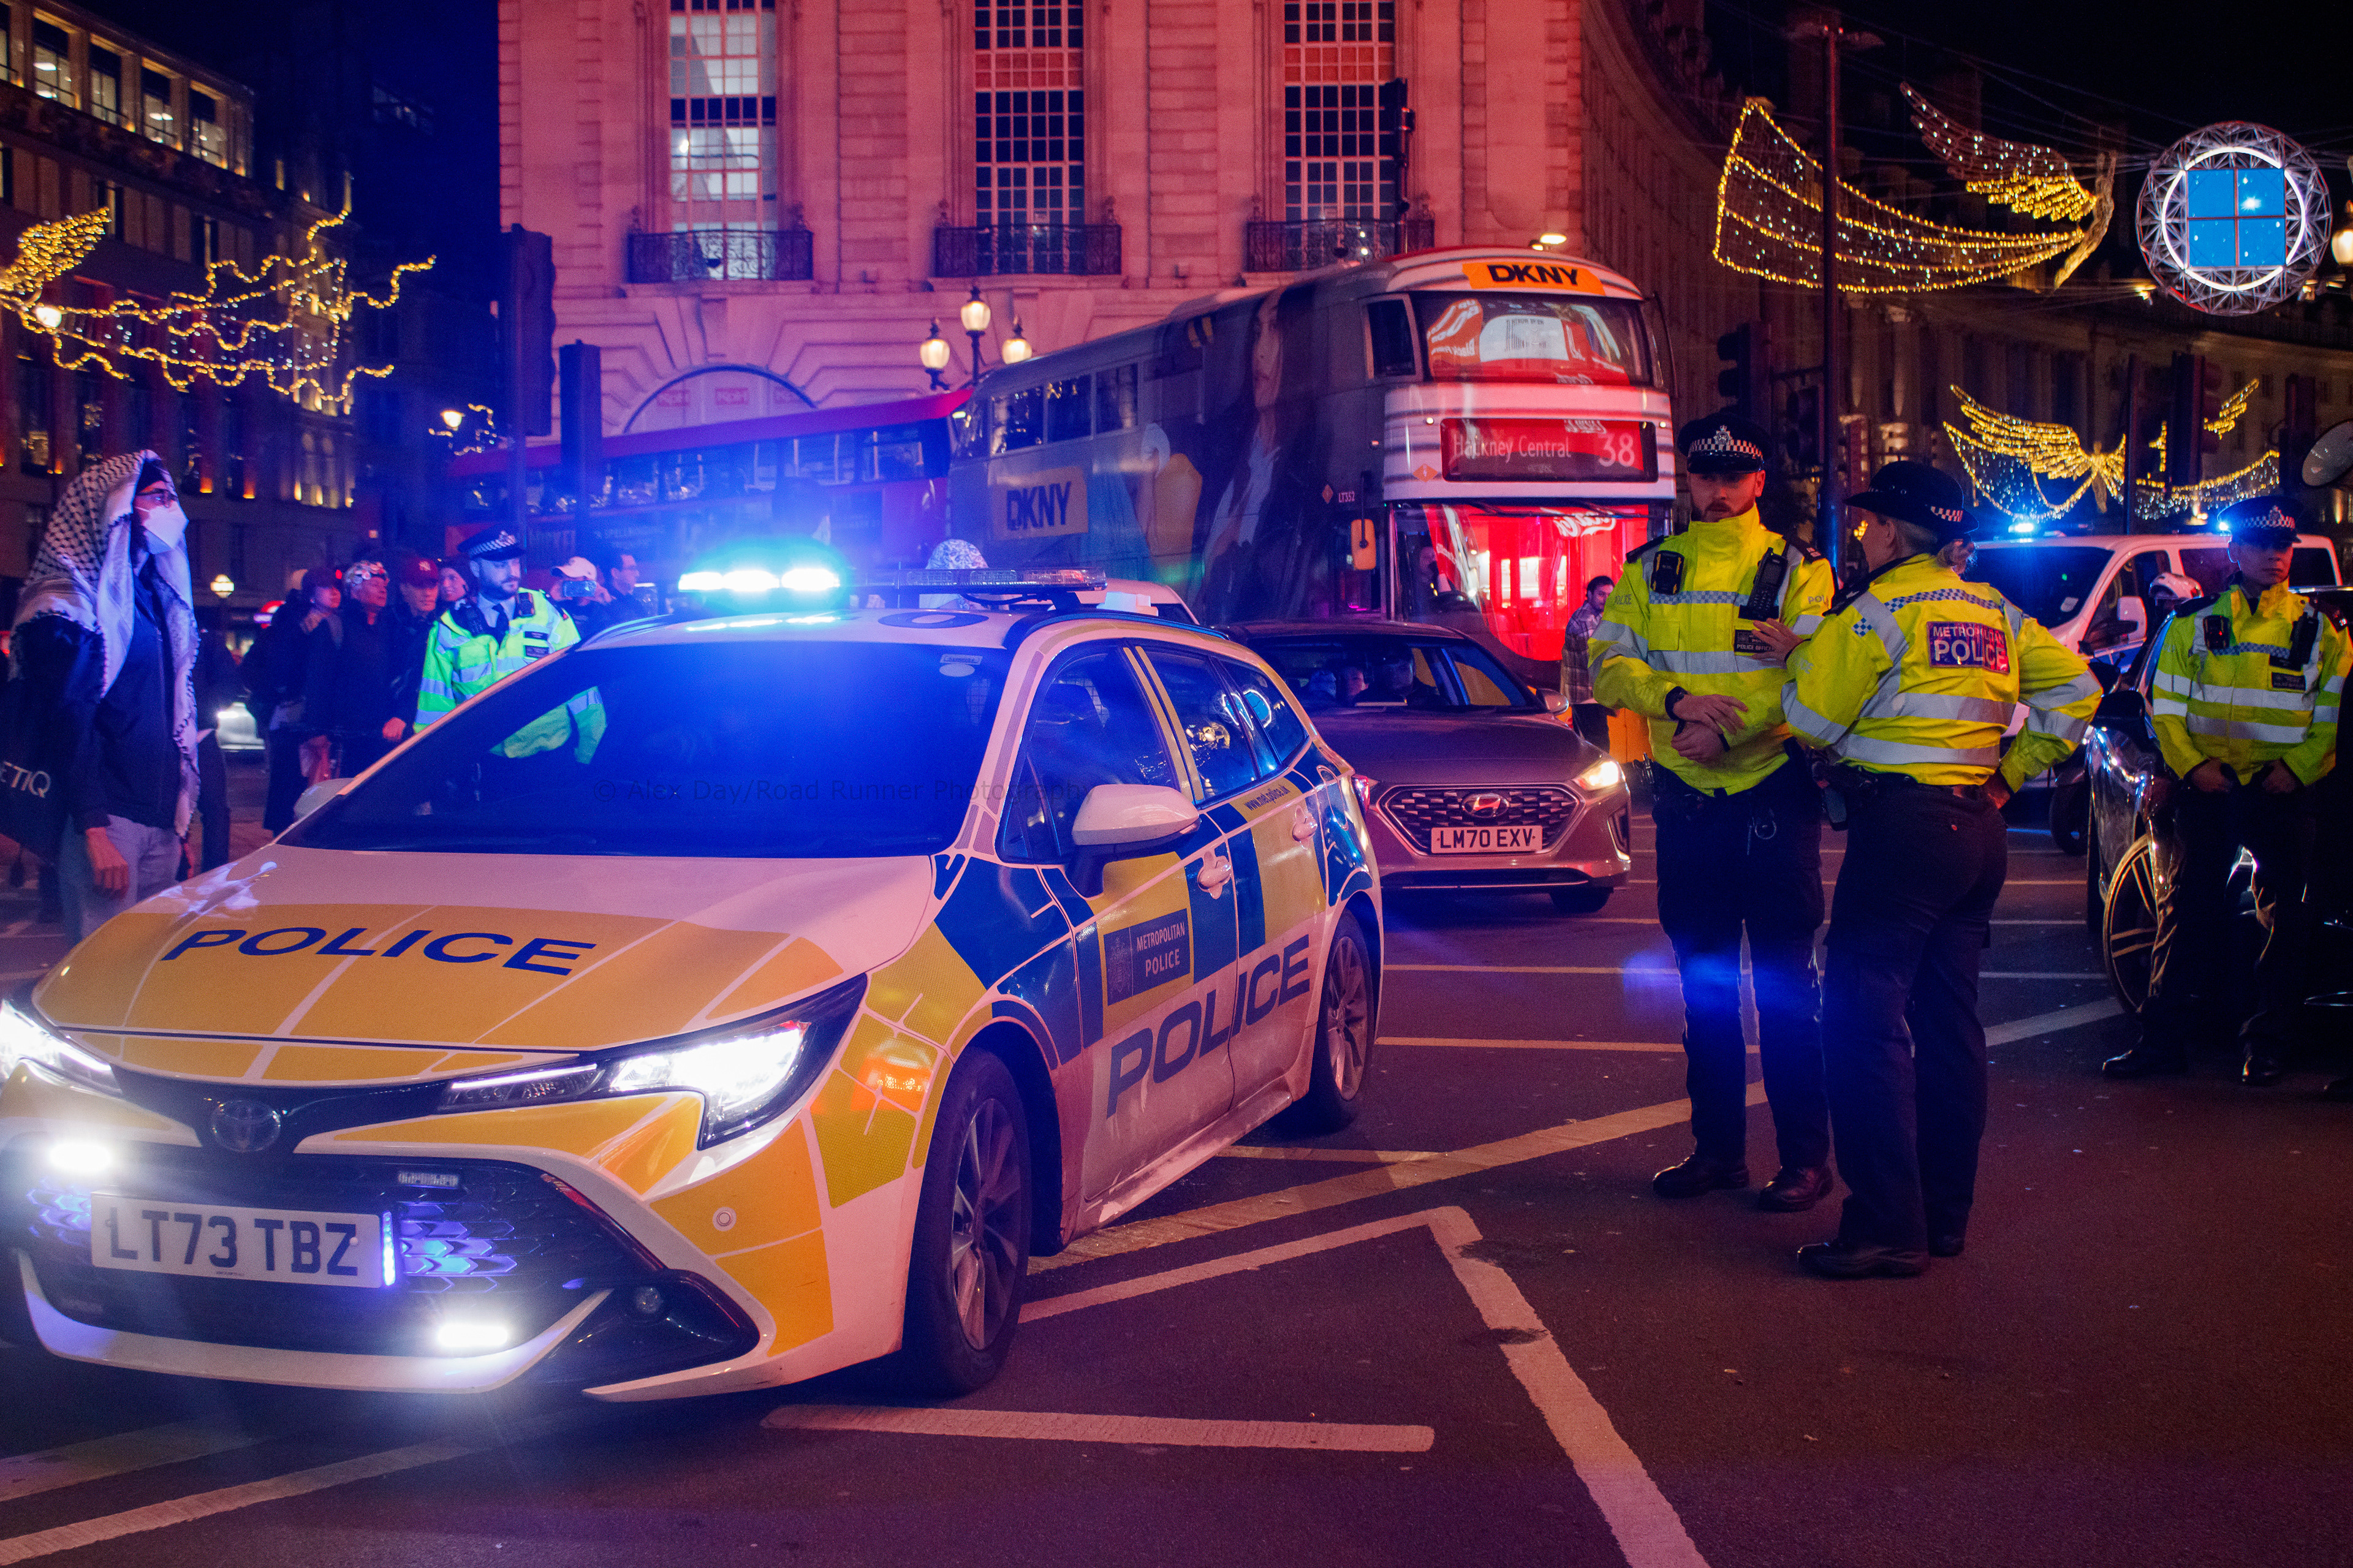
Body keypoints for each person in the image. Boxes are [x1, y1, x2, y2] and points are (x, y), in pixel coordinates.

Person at [1783, 460, 2099, 1278]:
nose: (1861, 535)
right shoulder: (1993, 608)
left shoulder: (1878, 609)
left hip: (1901, 834)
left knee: (1860, 1023)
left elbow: (1810, 716)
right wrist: (2007, 774)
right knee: (1950, 1026)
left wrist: (1806, 653)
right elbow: (2078, 690)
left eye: (1867, 524)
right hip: (1973, 831)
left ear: (1892, 530)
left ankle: (1888, 1223)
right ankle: (1942, 1214)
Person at [1590, 412, 1838, 1212]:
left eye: (1735, 475)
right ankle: (1719, 1151)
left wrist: (1716, 725)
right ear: (1689, 479)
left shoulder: (1802, 570)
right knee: (1704, 987)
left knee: (1784, 987)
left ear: (1761, 480)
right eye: (1706, 474)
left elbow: (1813, 676)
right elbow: (1610, 663)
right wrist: (1677, 699)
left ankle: (1805, 1159)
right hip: (1692, 797)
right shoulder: (1653, 566)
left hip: (1765, 789)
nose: (1720, 488)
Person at [2102, 496, 2348, 1086]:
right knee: (2186, 916)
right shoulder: (2194, 623)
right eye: (2263, 546)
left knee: (2286, 923)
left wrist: (2300, 770)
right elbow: (2167, 708)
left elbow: (2335, 714)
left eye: (2284, 546)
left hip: (2284, 790)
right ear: (2235, 550)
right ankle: (2162, 1041)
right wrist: (2192, 769)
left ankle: (2268, 1046)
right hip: (2211, 788)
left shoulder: (2319, 631)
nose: (2276, 557)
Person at [8, 453, 202, 941]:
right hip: (107, 818)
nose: (170, 510)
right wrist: (94, 830)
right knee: (103, 973)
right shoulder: (67, 603)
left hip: (157, 818)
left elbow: (169, 705)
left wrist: (177, 821)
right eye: (157, 498)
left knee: (148, 976)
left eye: (171, 498)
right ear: (113, 508)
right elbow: (70, 720)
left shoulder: (152, 595)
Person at [415, 525, 591, 737]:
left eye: (515, 562)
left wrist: (591, 753)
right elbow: (433, 708)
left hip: (548, 760)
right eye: (500, 565)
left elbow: (582, 685)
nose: (512, 573)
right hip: (483, 759)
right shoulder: (451, 625)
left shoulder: (548, 612)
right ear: (476, 569)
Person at [301, 556, 411, 779]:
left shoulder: (390, 629)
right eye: (374, 584)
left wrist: (401, 715)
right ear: (354, 591)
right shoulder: (334, 627)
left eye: (384, 586)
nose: (382, 590)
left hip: (382, 735)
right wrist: (317, 730)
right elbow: (318, 680)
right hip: (346, 739)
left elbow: (401, 677)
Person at [191, 615, 243, 872]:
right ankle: (179, 870)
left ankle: (214, 872)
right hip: (164, 737)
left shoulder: (205, 640)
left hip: (200, 736)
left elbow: (230, 685)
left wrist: (200, 713)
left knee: (215, 809)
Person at [1559, 575, 1614, 748]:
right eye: (1601, 594)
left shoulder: (1595, 616)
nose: (1606, 599)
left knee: (1588, 744)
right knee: (1600, 746)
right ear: (1589, 595)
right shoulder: (1586, 620)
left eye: (1609, 595)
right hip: (1588, 696)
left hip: (1585, 694)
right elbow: (1593, 659)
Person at [548, 556, 618, 638]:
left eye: (572, 577)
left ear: (589, 581)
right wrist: (550, 600)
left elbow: (627, 630)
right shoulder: (557, 606)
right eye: (563, 576)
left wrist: (610, 603)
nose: (565, 580)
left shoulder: (603, 611)